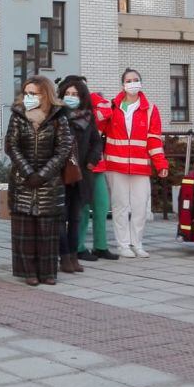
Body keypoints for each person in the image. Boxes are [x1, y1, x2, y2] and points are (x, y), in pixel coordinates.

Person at [5, 75, 73, 286]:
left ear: (45, 94)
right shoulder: (17, 115)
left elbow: (64, 148)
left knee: (47, 231)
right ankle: (29, 273)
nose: (28, 97)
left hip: (49, 183)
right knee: (25, 230)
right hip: (23, 182)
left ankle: (48, 272)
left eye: (32, 93)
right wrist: (28, 173)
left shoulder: (58, 117)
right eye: (26, 93)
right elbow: (11, 146)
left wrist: (43, 174)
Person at [101, 68, 169, 258]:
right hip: (115, 165)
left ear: (141, 82)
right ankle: (123, 245)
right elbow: (98, 127)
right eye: (129, 80)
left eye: (135, 80)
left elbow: (154, 139)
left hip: (140, 166)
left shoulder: (150, 109)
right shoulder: (112, 106)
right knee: (120, 206)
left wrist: (161, 164)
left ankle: (137, 243)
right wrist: (100, 108)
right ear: (123, 84)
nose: (132, 83)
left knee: (140, 205)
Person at [57, 77, 104, 275]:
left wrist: (92, 162)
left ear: (82, 97)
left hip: (82, 174)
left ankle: (74, 255)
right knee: (61, 217)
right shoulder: (57, 116)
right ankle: (64, 256)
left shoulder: (88, 117)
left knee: (75, 217)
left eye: (75, 94)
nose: (71, 97)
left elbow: (97, 142)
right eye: (67, 94)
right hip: (60, 174)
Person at [78, 86, 118, 262]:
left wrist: (92, 97)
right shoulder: (71, 114)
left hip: (97, 165)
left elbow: (105, 111)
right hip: (80, 167)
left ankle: (100, 246)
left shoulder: (91, 110)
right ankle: (79, 247)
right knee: (83, 209)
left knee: (101, 205)